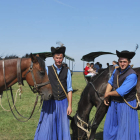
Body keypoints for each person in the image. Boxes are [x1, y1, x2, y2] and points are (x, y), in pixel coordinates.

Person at [34, 45, 72, 140]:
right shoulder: (47, 69)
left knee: (63, 127)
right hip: (50, 102)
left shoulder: (67, 71)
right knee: (47, 126)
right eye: (57, 58)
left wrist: (70, 105)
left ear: (63, 58)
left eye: (60, 58)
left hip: (63, 103)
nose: (59, 60)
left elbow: (69, 89)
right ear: (53, 58)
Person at [103, 50, 139, 140]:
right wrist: (107, 95)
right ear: (118, 61)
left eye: (124, 62)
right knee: (110, 128)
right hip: (114, 103)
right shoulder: (116, 71)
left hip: (126, 105)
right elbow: (110, 82)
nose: (122, 64)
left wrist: (107, 93)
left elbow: (120, 92)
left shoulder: (132, 75)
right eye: (120, 61)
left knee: (124, 131)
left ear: (129, 62)